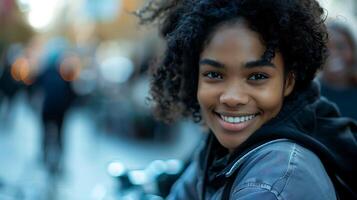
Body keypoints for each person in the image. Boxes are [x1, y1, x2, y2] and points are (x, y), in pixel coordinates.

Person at [136, 0, 357, 199]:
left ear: (288, 82)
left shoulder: (275, 181)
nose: (232, 98)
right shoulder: (219, 147)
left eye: (257, 76)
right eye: (214, 74)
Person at [318, 22, 357, 120]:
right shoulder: (309, 96)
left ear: (352, 50)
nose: (333, 54)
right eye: (325, 50)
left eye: (341, 47)